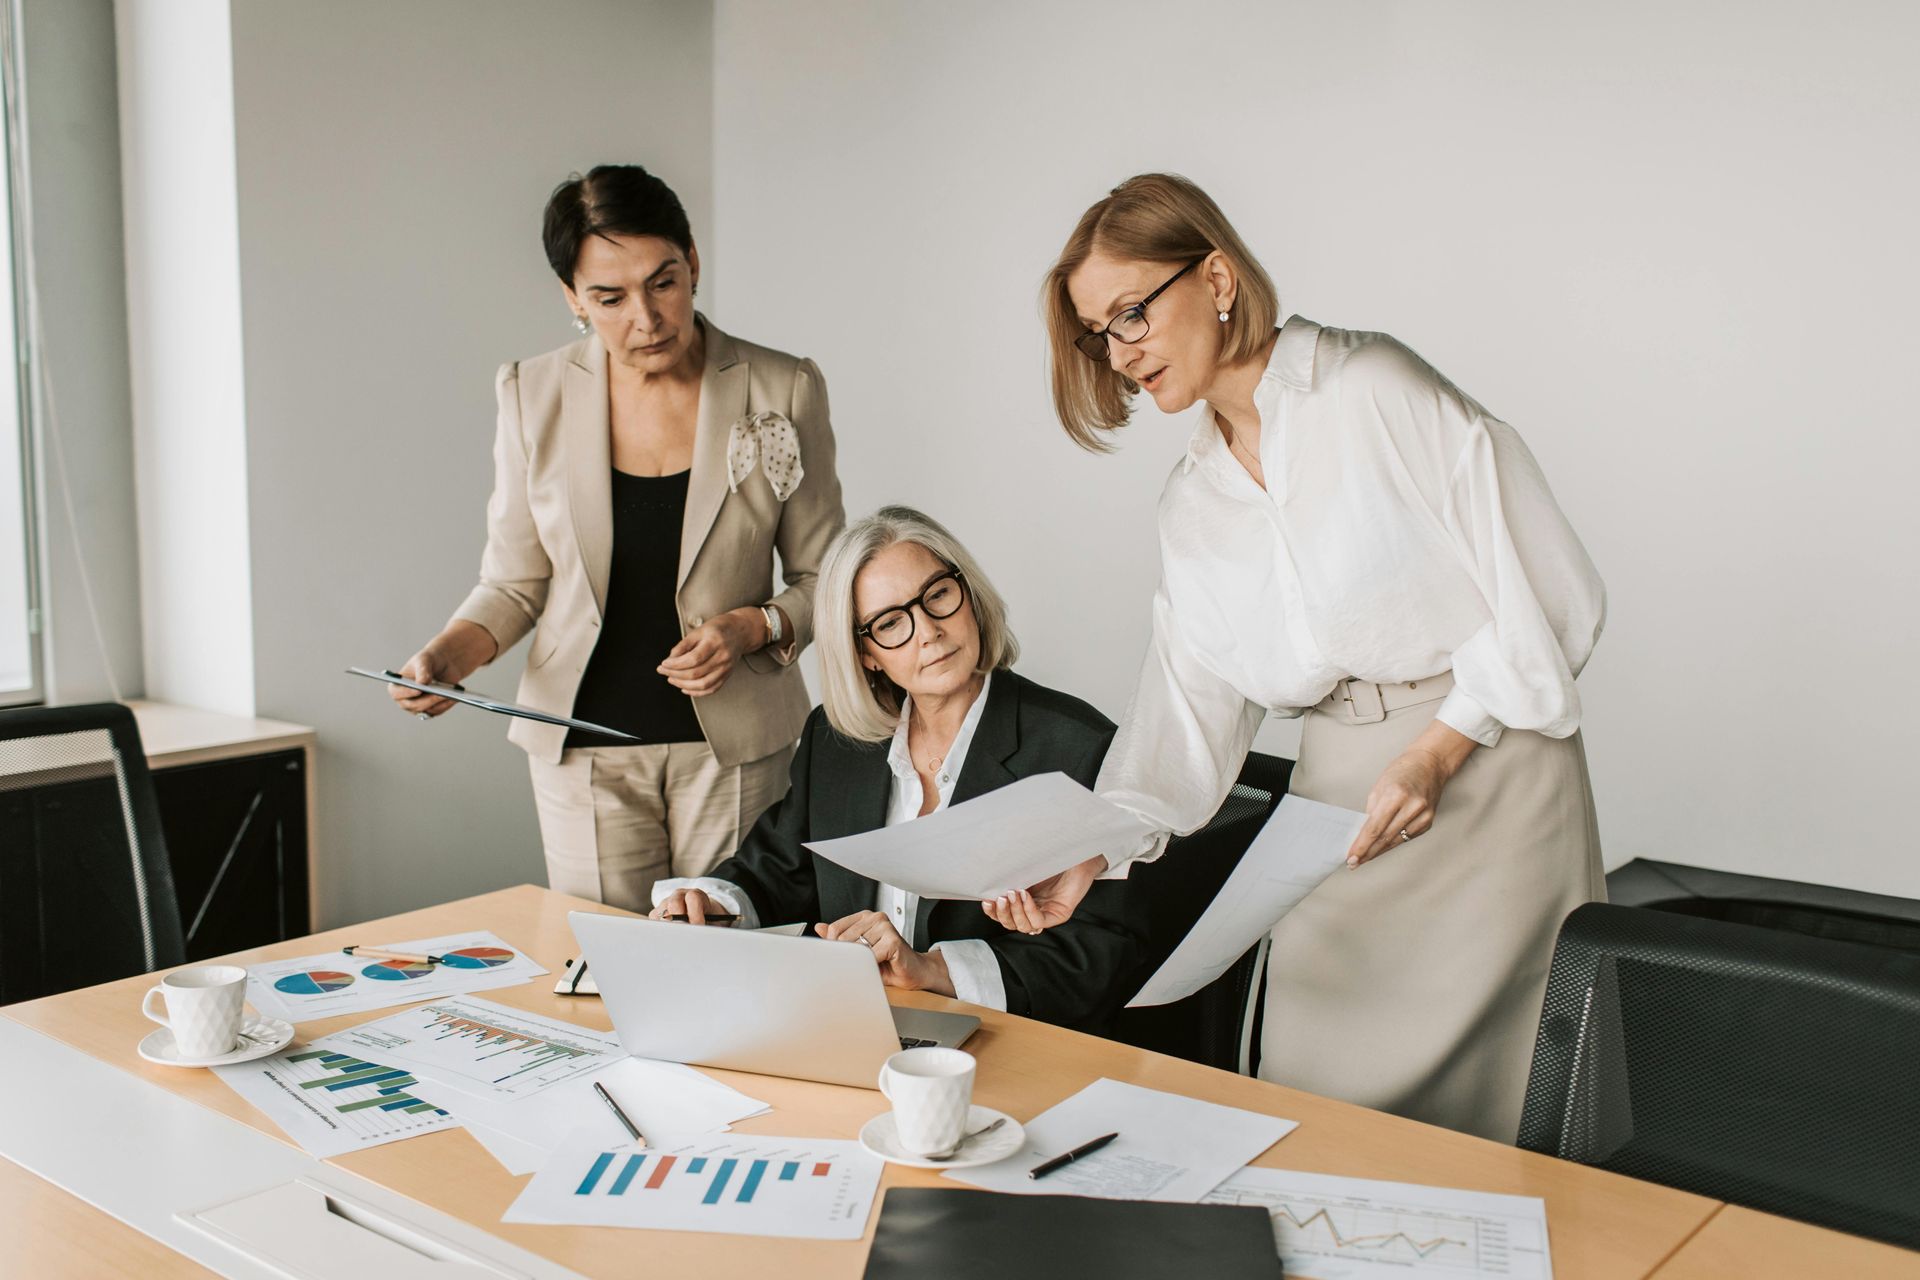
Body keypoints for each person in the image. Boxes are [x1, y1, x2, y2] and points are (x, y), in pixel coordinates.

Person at [999, 173, 1606, 1140]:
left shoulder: (1373, 388)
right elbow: (1187, 718)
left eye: (1132, 314)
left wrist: (1440, 748)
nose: (1121, 354)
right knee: (1312, 1100)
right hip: (1342, 802)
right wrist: (1093, 851)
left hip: (1495, 778)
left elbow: (1555, 591)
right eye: (1099, 334)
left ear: (1219, 277)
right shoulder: (1190, 503)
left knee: (1509, 1122)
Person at [392, 164, 844, 913]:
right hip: (579, 748)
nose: (647, 316)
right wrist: (447, 655)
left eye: (663, 282)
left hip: (735, 746)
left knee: (735, 963)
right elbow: (515, 581)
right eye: (609, 297)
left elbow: (826, 573)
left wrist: (751, 625)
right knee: (608, 980)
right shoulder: (529, 392)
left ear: (692, 262)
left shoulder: (781, 386)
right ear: (572, 298)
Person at [650, 506, 1144, 1033]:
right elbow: (777, 869)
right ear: (865, 654)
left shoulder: (1078, 747)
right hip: (848, 1026)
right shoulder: (836, 740)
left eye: (937, 596)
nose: (928, 631)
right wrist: (711, 905)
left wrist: (933, 970)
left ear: (969, 596)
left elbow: (1106, 951)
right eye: (890, 623)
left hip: (1008, 1041)